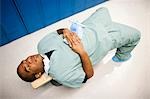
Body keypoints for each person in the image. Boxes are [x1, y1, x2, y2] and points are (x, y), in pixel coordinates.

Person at [17, 7, 141, 88]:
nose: (28, 61)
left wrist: (65, 31)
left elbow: (57, 32)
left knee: (103, 9)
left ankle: (56, 83)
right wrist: (81, 52)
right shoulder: (61, 73)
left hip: (89, 25)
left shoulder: (41, 44)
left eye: (24, 61)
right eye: (28, 67)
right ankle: (121, 56)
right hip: (105, 38)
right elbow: (89, 74)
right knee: (136, 35)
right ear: (38, 74)